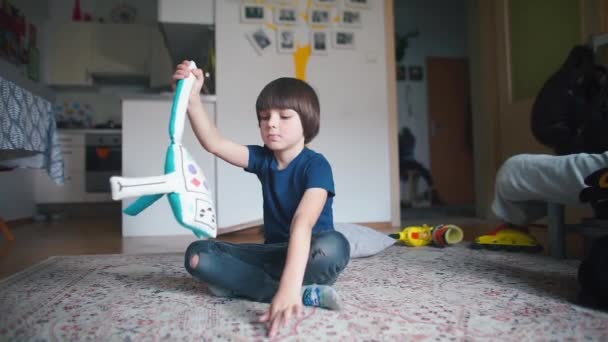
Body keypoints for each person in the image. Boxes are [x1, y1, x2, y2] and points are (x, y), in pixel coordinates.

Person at [172, 61, 350, 338]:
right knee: (197, 256)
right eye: (265, 117)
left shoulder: (317, 165)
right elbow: (214, 143)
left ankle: (262, 287)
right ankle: (304, 294)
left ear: (307, 121)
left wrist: (289, 285)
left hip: (311, 254)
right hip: (273, 254)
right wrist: (193, 97)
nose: (271, 124)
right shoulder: (262, 159)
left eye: (284, 116)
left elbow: (302, 224)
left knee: (336, 246)